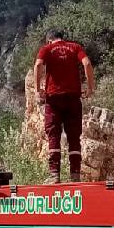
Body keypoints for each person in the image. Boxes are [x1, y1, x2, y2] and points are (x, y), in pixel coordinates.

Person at [34, 29, 96, 184]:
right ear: (62, 38)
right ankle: (75, 175)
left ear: (49, 40)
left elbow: (38, 65)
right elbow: (87, 63)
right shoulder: (75, 47)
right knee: (74, 136)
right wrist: (90, 87)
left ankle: (54, 174)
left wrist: (37, 89)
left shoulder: (46, 49)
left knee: (53, 134)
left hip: (54, 98)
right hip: (73, 98)